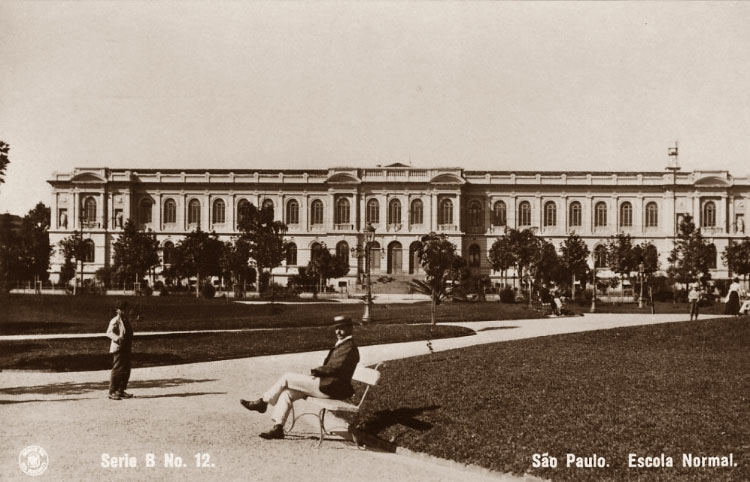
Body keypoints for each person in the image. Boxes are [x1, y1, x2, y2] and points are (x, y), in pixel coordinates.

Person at [240, 315, 360, 440]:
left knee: (287, 377)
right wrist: (316, 373)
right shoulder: (343, 344)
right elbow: (332, 368)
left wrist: (315, 371)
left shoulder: (349, 347)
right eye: (336, 328)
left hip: (332, 388)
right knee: (287, 392)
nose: (338, 332)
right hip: (328, 385)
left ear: (350, 328)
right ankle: (278, 428)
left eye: (341, 328)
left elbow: (335, 368)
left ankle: (263, 402)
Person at [106, 301, 135, 400]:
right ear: (117, 310)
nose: (123, 311)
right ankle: (112, 391)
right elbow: (109, 332)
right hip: (119, 347)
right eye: (121, 309)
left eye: (125, 309)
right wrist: (118, 338)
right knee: (117, 369)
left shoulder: (125, 320)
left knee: (126, 369)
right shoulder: (115, 320)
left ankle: (120, 390)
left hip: (126, 347)